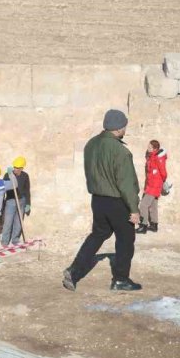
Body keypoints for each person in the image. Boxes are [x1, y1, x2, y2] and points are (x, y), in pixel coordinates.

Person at [63, 109, 142, 292]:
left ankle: (74, 271)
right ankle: (121, 279)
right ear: (118, 128)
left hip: (97, 200)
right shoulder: (120, 151)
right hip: (117, 202)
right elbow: (126, 183)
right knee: (125, 239)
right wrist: (134, 209)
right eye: (124, 127)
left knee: (97, 235)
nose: (125, 130)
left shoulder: (91, 144)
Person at [137, 140, 168, 234]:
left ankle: (143, 226)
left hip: (155, 185)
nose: (148, 148)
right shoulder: (151, 156)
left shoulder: (158, 158)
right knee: (153, 205)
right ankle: (154, 225)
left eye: (150, 147)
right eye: (148, 146)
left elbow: (163, 172)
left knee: (143, 205)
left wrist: (161, 181)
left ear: (155, 149)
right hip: (151, 184)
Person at [0, 157, 31, 246]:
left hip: (22, 200)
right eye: (15, 167)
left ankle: (15, 240)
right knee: (8, 222)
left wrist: (28, 204)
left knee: (19, 222)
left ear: (22, 168)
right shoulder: (7, 175)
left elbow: (27, 190)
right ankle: (5, 242)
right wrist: (11, 176)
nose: (16, 169)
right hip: (11, 200)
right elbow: (4, 188)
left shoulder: (25, 176)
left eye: (18, 168)